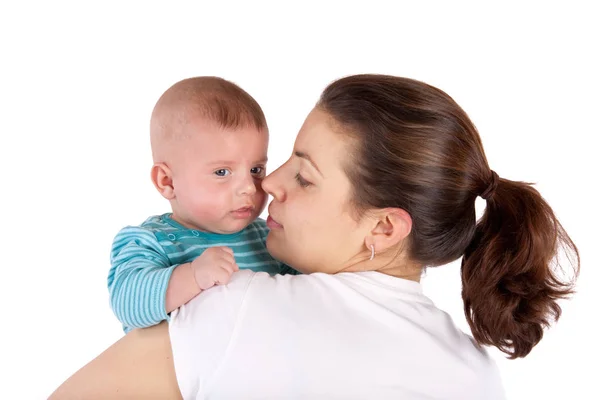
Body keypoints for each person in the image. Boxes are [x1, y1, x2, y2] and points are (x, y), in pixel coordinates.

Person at [50, 74, 579, 400]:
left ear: (384, 227)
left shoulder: (238, 311)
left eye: (303, 176)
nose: (268, 185)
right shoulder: (477, 376)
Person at [108, 76, 296, 333]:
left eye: (256, 169)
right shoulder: (152, 241)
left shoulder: (266, 238)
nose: (249, 187)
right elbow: (127, 303)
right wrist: (193, 276)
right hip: (176, 371)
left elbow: (304, 291)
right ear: (168, 181)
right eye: (222, 172)